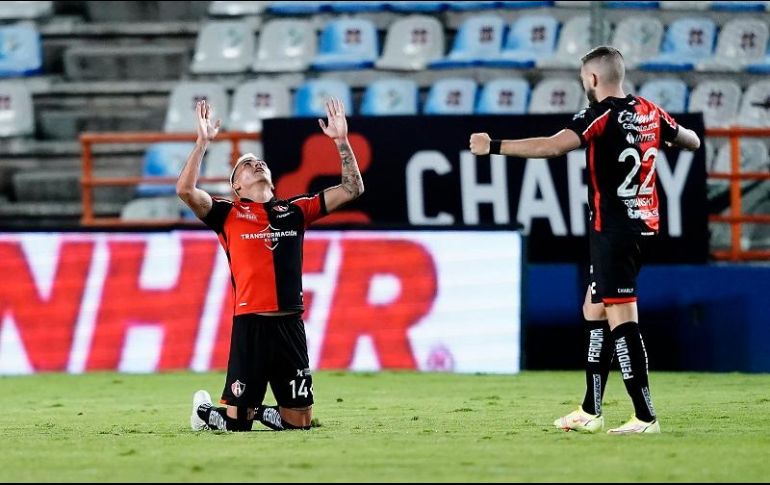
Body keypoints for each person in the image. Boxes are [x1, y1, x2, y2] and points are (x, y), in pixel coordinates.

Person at [469, 46, 700, 434]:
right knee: (594, 310)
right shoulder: (650, 111)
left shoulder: (599, 115)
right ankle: (591, 410)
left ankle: (645, 417)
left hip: (616, 230)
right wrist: (668, 140)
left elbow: (553, 146)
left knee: (622, 316)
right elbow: (691, 140)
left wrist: (493, 146)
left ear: (592, 79)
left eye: (583, 79)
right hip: (643, 224)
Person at [178, 97, 364, 431]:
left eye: (260, 162)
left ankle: (256, 410)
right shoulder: (227, 213)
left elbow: (353, 188)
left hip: (290, 324)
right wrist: (202, 143)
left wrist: (341, 141)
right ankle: (205, 411)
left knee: (300, 423)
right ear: (236, 186)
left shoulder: (296, 210)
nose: (257, 164)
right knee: (238, 428)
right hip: (251, 326)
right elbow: (185, 190)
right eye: (246, 165)